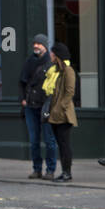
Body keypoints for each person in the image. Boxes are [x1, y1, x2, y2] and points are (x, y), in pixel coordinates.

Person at [19, 35, 57, 180]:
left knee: (49, 140)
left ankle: (50, 170)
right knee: (34, 140)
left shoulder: (51, 62)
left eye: (39, 44)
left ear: (45, 46)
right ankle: (37, 169)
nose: (36, 46)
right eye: (34, 43)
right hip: (30, 105)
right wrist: (23, 99)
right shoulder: (29, 61)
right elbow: (22, 82)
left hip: (45, 106)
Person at [45, 42, 77, 183]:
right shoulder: (56, 70)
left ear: (57, 55)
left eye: (52, 53)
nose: (51, 55)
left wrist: (60, 107)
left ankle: (67, 173)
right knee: (60, 144)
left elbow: (70, 91)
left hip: (64, 114)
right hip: (55, 113)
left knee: (64, 145)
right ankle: (64, 171)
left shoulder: (68, 70)